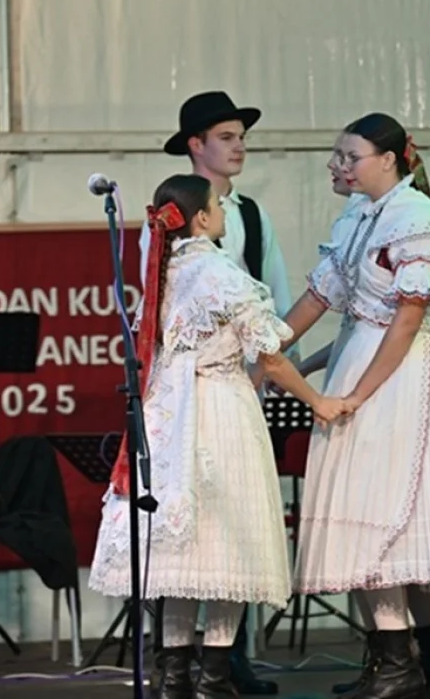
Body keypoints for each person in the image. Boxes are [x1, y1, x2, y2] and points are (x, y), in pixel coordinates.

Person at [88, 174, 345, 698]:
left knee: (186, 559)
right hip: (221, 412)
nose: (225, 211)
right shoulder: (221, 273)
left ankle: (174, 678)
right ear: (202, 218)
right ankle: (214, 678)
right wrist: (318, 401)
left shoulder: (162, 272)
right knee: (231, 544)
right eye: (217, 206)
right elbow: (271, 358)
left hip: (171, 415)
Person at [275, 112, 430, 699]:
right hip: (361, 360)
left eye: (350, 156)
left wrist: (357, 393)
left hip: (402, 377)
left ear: (388, 160)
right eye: (338, 156)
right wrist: (270, 350)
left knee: (389, 512)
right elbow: (320, 296)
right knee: (367, 512)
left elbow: (406, 320)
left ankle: (406, 664)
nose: (339, 166)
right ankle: (401, 660)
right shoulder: (359, 214)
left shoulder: (413, 216)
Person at [138, 90, 294, 695]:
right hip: (190, 394)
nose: (239, 147)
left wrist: (262, 372)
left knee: (237, 521)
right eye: (226, 137)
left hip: (241, 387)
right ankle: (181, 664)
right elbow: (158, 304)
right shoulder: (168, 218)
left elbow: (273, 299)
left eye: (241, 137)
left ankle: (226, 663)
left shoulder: (251, 215)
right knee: (189, 524)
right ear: (195, 145)